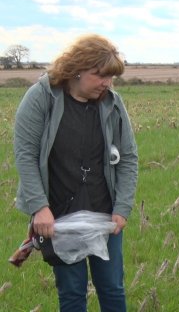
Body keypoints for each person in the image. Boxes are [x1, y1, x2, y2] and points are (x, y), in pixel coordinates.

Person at [13, 34, 138, 312]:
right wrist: (39, 207)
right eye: (99, 75)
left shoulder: (113, 104)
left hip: (104, 210)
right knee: (71, 292)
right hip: (59, 213)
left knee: (113, 289)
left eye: (111, 77)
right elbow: (25, 155)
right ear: (77, 69)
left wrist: (122, 207)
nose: (106, 83)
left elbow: (128, 158)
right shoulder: (41, 97)